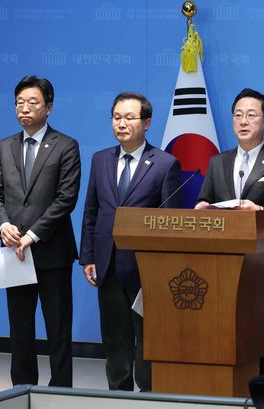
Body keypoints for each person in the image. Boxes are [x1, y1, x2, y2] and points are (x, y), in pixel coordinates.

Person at [79, 92, 182, 391]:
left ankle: (148, 396)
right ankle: (118, 395)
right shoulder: (100, 159)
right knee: (115, 338)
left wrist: (164, 268)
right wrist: (88, 256)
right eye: (116, 117)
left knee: (147, 337)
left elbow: (172, 222)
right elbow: (91, 211)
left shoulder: (165, 164)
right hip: (108, 265)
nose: (121, 123)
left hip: (146, 270)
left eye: (129, 118)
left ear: (146, 123)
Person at [195, 88, 264, 374]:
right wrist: (202, 207)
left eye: (251, 115)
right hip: (221, 265)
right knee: (227, 332)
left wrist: (259, 210)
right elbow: (205, 201)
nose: (243, 121)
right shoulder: (218, 162)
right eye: (238, 115)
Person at [0, 75, 80, 387]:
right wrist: (3, 225)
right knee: (20, 329)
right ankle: (22, 389)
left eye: (32, 102)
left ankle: (61, 391)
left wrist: (33, 234)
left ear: (48, 107)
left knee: (58, 329)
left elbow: (66, 199)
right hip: (15, 252)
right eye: (19, 103)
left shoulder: (66, 146)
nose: (24, 108)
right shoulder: (3, 147)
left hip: (52, 252)